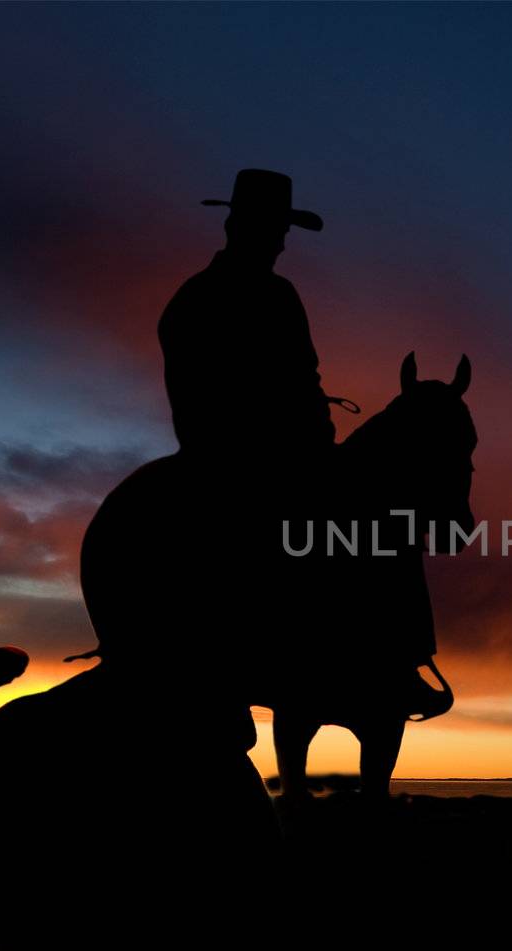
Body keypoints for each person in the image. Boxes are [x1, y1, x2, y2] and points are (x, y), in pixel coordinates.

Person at [156, 168, 449, 720]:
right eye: (273, 229)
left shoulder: (197, 297)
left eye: (282, 230)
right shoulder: (254, 296)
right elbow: (294, 381)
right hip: (259, 454)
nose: (281, 240)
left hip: (211, 449)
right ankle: (402, 665)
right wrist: (311, 436)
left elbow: (298, 379)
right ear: (238, 225)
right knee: (392, 531)